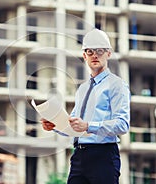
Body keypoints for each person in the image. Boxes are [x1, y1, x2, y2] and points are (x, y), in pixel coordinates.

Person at [41, 28, 130, 184]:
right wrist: (54, 125)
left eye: (100, 51)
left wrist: (88, 126)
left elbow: (122, 125)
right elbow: (74, 126)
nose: (95, 55)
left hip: (103, 156)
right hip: (79, 157)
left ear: (109, 53)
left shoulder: (117, 85)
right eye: (90, 51)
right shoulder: (82, 89)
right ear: (84, 56)